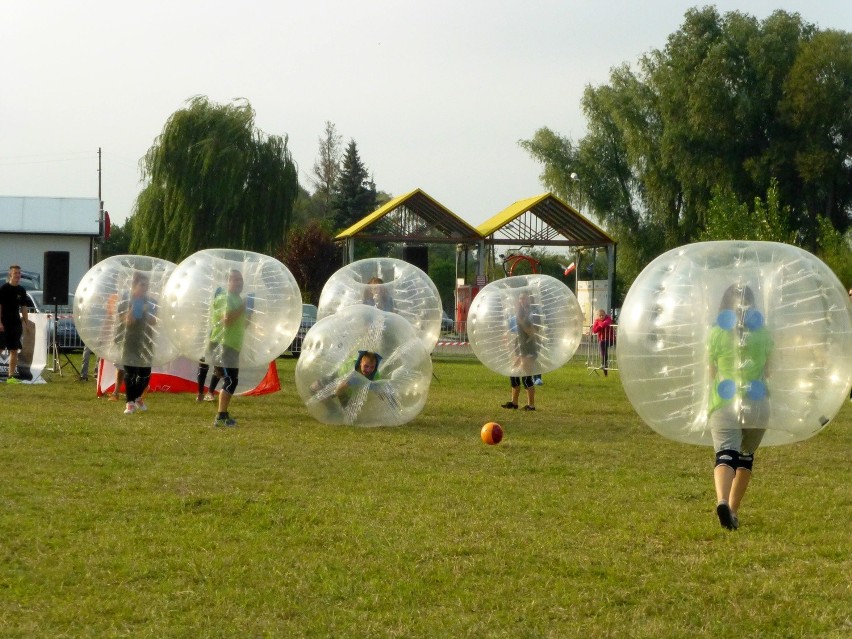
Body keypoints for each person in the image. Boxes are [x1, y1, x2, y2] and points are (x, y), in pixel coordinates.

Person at [708, 284, 773, 531]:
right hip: (757, 404)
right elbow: (769, 371)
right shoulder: (764, 333)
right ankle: (733, 510)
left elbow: (711, 371)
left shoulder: (715, 333)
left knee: (726, 454)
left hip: (724, 402)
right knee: (745, 456)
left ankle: (722, 501)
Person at [208, 269, 252, 427]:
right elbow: (226, 320)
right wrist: (243, 307)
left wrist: (249, 314)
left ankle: (223, 415)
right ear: (227, 282)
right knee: (230, 380)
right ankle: (220, 417)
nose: (239, 283)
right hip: (222, 344)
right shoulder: (224, 298)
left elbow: (242, 324)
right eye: (235, 280)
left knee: (232, 380)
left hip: (232, 346)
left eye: (240, 280)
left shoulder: (237, 299)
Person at [115, 272, 156, 415]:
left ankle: (137, 397)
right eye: (142, 285)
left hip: (145, 340)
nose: (145, 288)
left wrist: (147, 312)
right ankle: (130, 403)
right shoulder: (125, 300)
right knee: (130, 373)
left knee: (145, 373)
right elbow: (126, 321)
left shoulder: (150, 301)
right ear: (134, 285)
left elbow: (154, 322)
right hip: (129, 339)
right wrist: (135, 307)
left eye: (147, 285)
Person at [502, 291, 538, 410]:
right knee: (513, 373)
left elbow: (532, 333)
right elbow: (513, 330)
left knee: (526, 377)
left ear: (529, 299)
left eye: (524, 298)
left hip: (529, 348)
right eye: (520, 298)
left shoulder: (533, 314)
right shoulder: (520, 313)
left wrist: (521, 321)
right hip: (520, 347)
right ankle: (514, 402)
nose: (521, 301)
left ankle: (531, 405)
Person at [0, 265, 30, 383]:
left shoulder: (21, 290)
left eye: (19, 273)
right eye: (15, 273)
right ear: (10, 275)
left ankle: (10, 376)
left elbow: (23, 308)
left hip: (15, 323)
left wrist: (26, 323)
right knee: (1, 348)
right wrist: (0, 323)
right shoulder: (4, 288)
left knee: (14, 350)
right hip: (3, 323)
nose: (18, 275)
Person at [591, 308, 615, 376]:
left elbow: (604, 324)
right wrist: (600, 324)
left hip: (611, 339)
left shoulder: (608, 318)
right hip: (602, 340)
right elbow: (594, 330)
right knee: (603, 351)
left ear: (605, 315)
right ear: (597, 316)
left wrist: (599, 322)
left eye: (603, 315)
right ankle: (605, 368)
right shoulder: (597, 320)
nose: (601, 317)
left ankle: (603, 364)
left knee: (602, 345)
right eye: (600, 316)